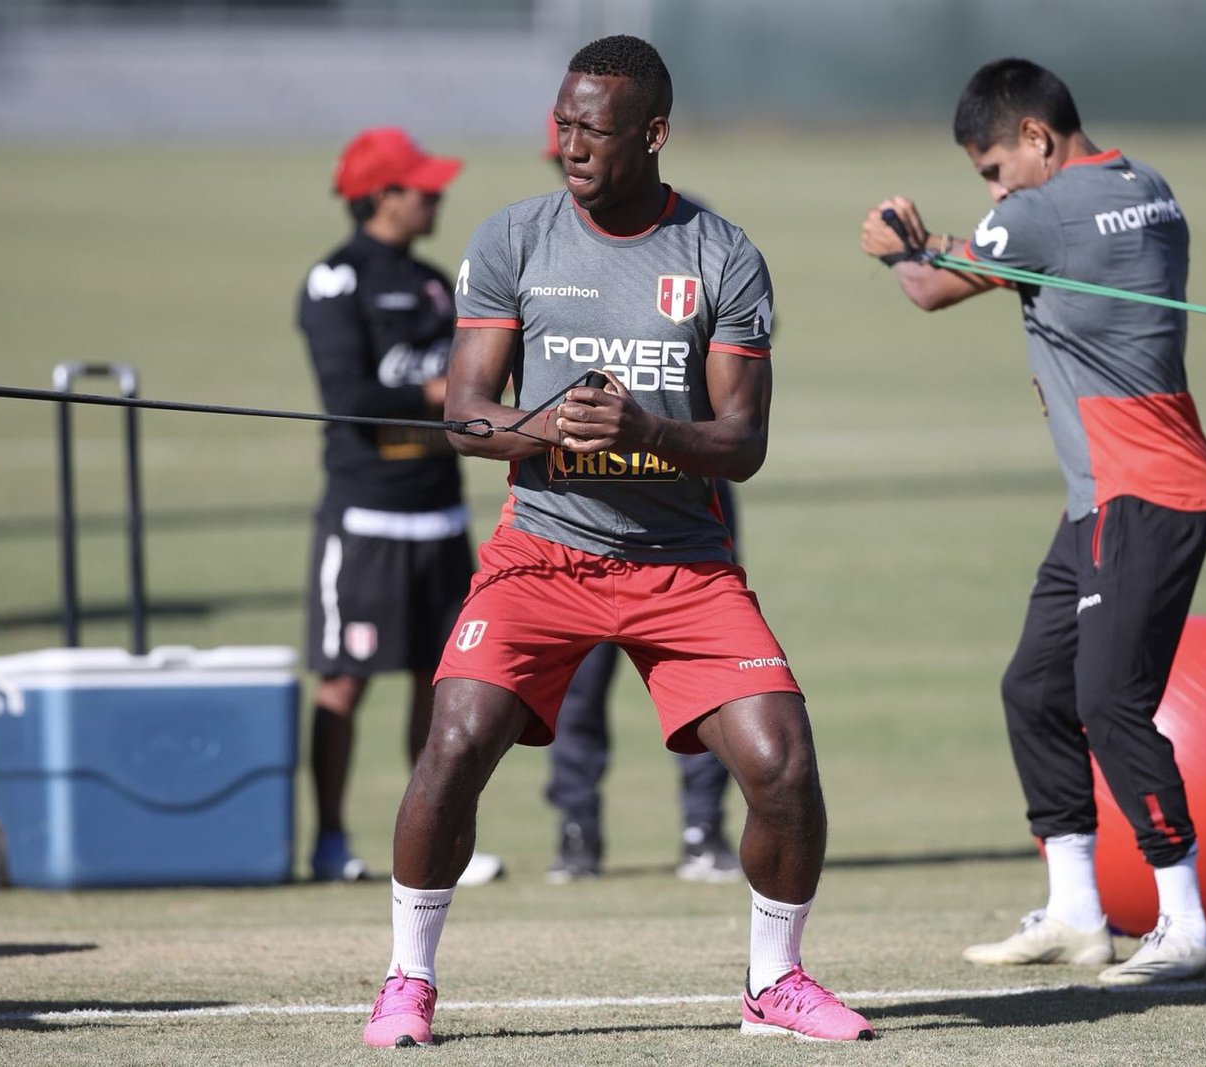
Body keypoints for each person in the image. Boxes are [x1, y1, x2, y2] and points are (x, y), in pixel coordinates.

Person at [361, 35, 873, 1047]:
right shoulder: (513, 239)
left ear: (651, 133)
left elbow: (742, 443)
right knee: (453, 744)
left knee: (783, 767)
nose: (570, 145)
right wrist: (538, 425)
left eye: (592, 129)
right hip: (539, 553)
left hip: (680, 565)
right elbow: (465, 417)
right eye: (562, 125)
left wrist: (650, 431)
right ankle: (406, 981)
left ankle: (773, 982)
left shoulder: (721, 255)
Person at [861, 57, 1206, 985]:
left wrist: (900, 246)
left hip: (1137, 492)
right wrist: (952, 235)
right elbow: (1014, 245)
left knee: (1108, 704)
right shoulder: (1144, 185)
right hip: (1108, 496)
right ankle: (1075, 912)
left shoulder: (1041, 209)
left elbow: (932, 288)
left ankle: (1185, 922)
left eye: (992, 168)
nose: (992, 187)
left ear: (1036, 136)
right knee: (1034, 688)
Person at [537, 114, 743, 886]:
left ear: (646, 143)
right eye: (561, 145)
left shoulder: (706, 240)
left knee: (715, 689)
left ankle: (702, 831)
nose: (574, 164)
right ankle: (577, 831)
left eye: (595, 142)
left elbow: (738, 387)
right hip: (574, 523)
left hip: (685, 514)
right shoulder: (537, 246)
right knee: (578, 686)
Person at [297, 126, 502, 889]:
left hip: (441, 516)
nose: (437, 196)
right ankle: (327, 839)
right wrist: (436, 393)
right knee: (344, 679)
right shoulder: (335, 282)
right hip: (366, 520)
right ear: (383, 196)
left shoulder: (435, 283)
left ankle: (440, 841)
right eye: (424, 187)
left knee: (439, 682)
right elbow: (348, 397)